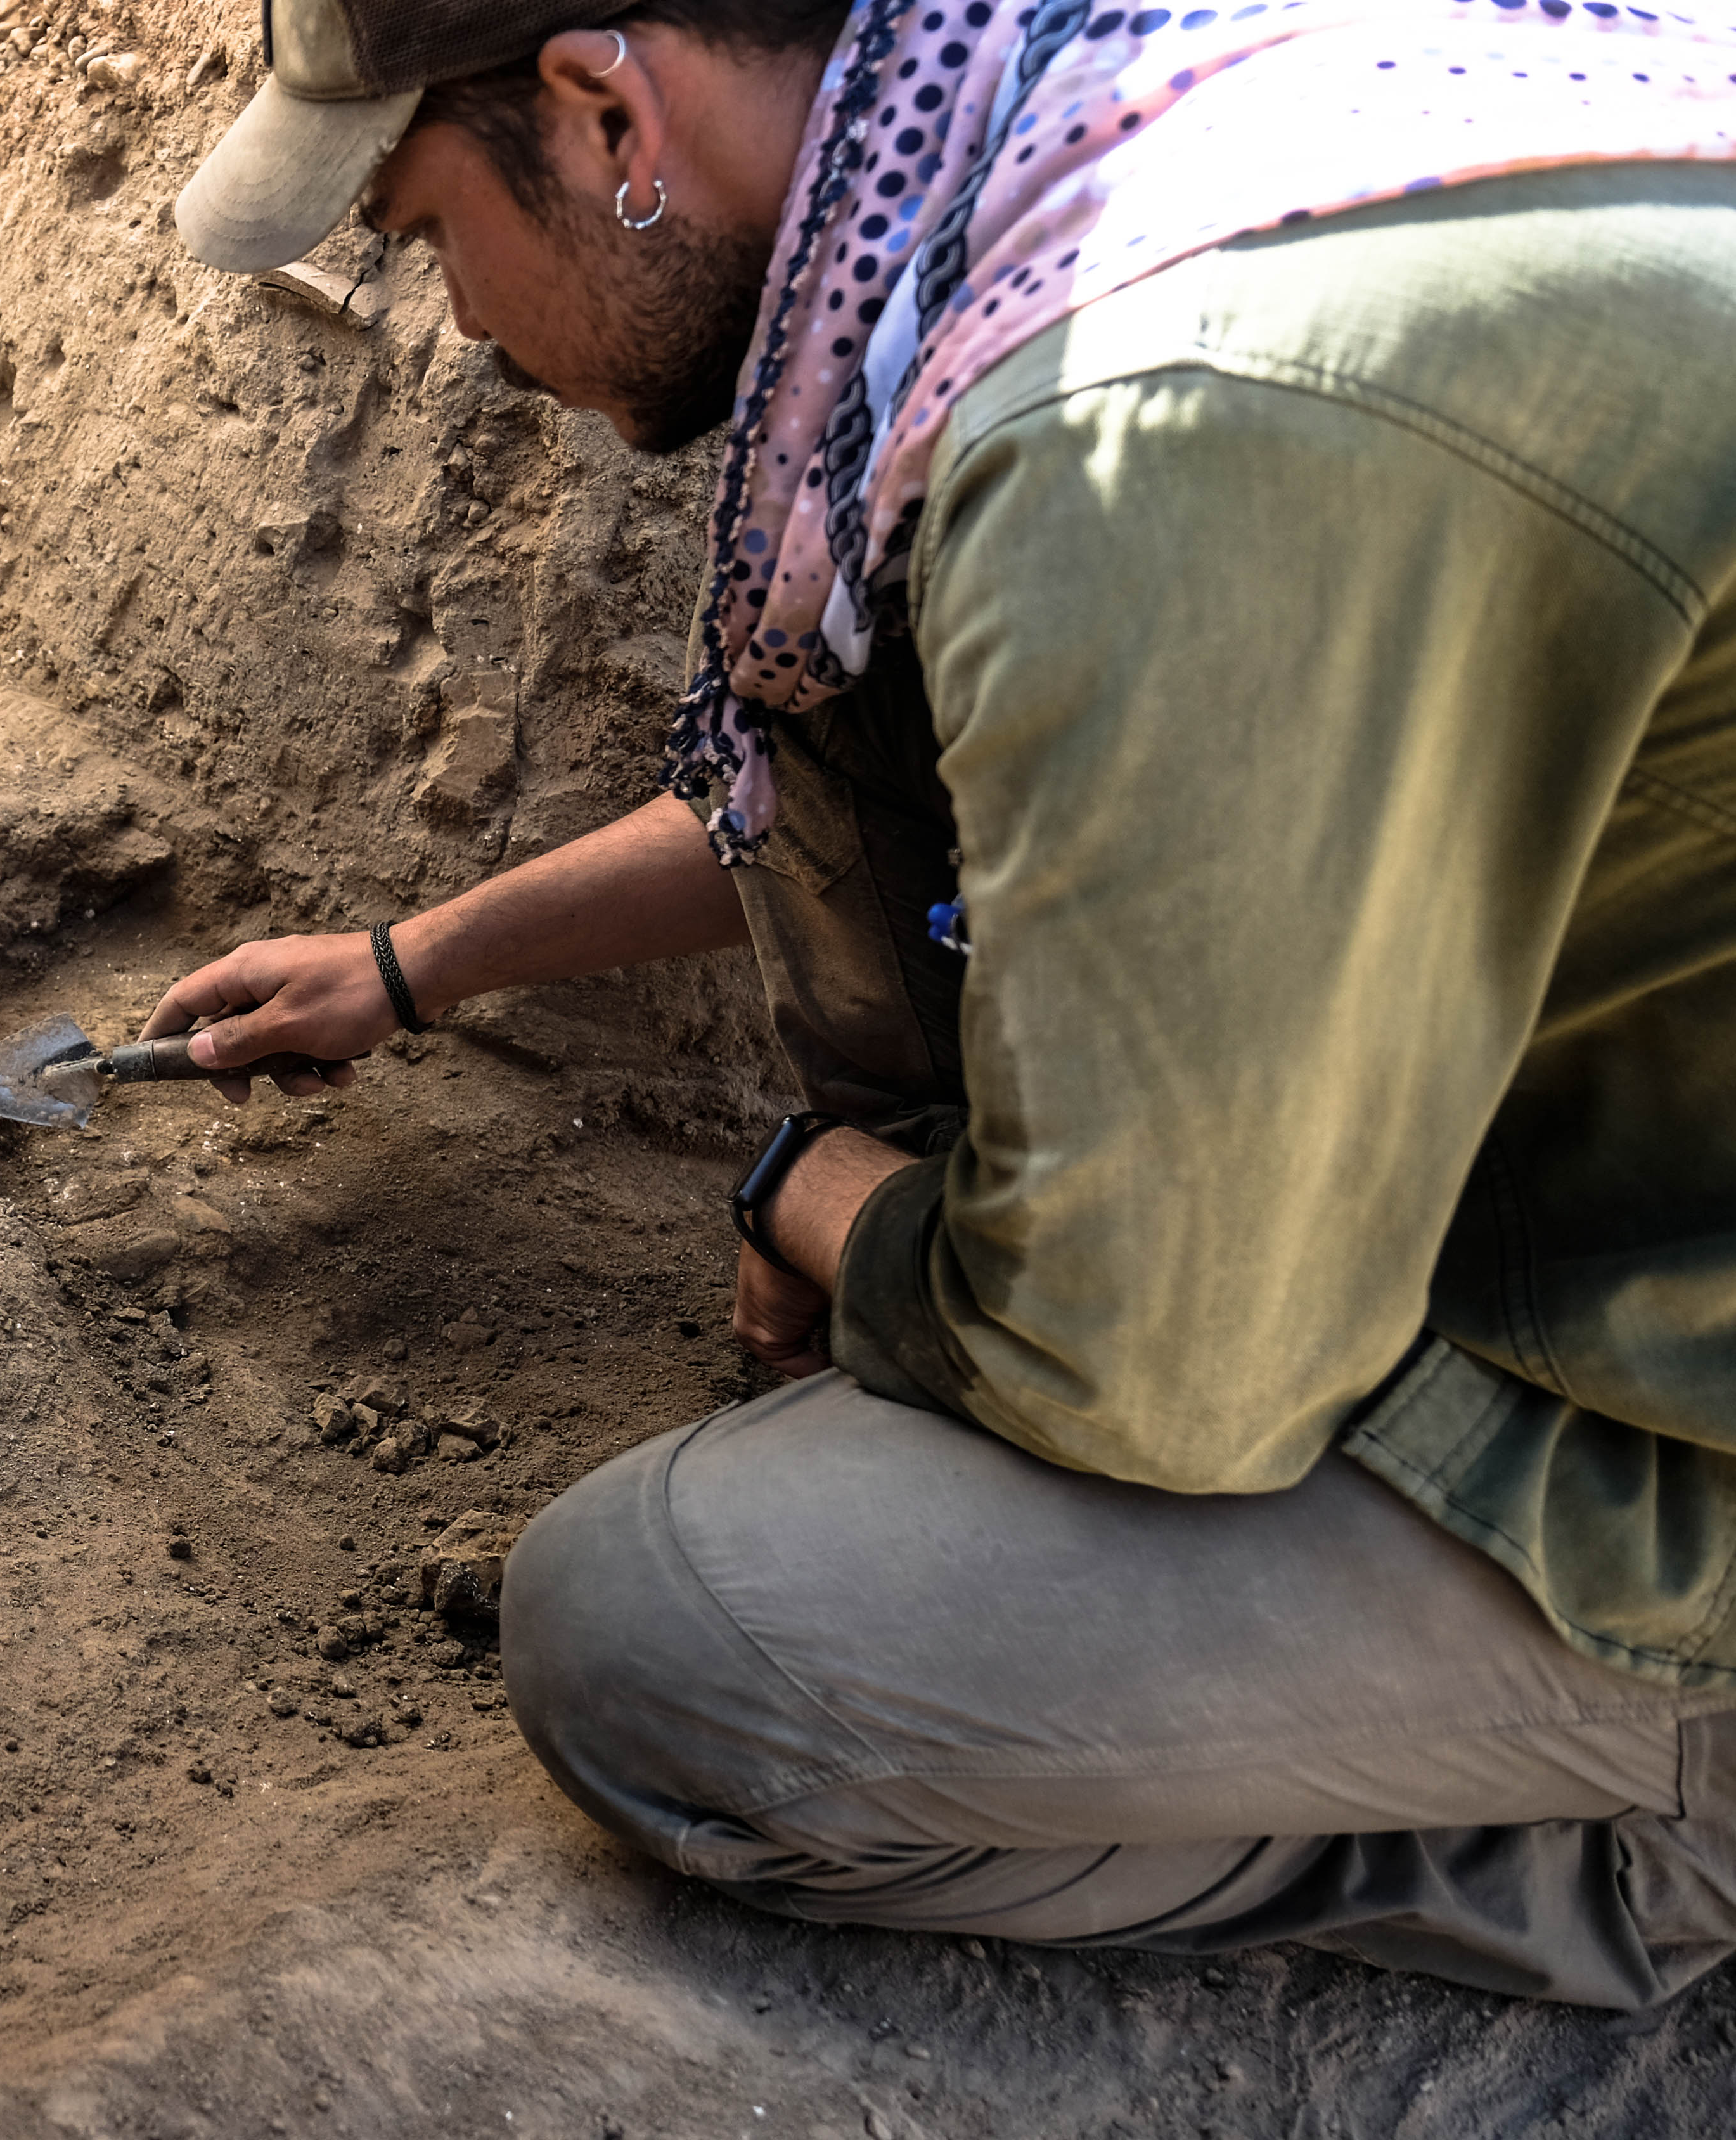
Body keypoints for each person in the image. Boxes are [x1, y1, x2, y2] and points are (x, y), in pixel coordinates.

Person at [150, 0, 1736, 2006]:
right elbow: (951, 787)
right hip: (1641, 1199)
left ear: (603, 104)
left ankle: (1665, 1818)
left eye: (419, 226)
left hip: (1670, 1442)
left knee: (659, 1643)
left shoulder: (1144, 420)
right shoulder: (1127, 125)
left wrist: (818, 1195)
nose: (456, 321)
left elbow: (1141, 1373)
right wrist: (417, 964)